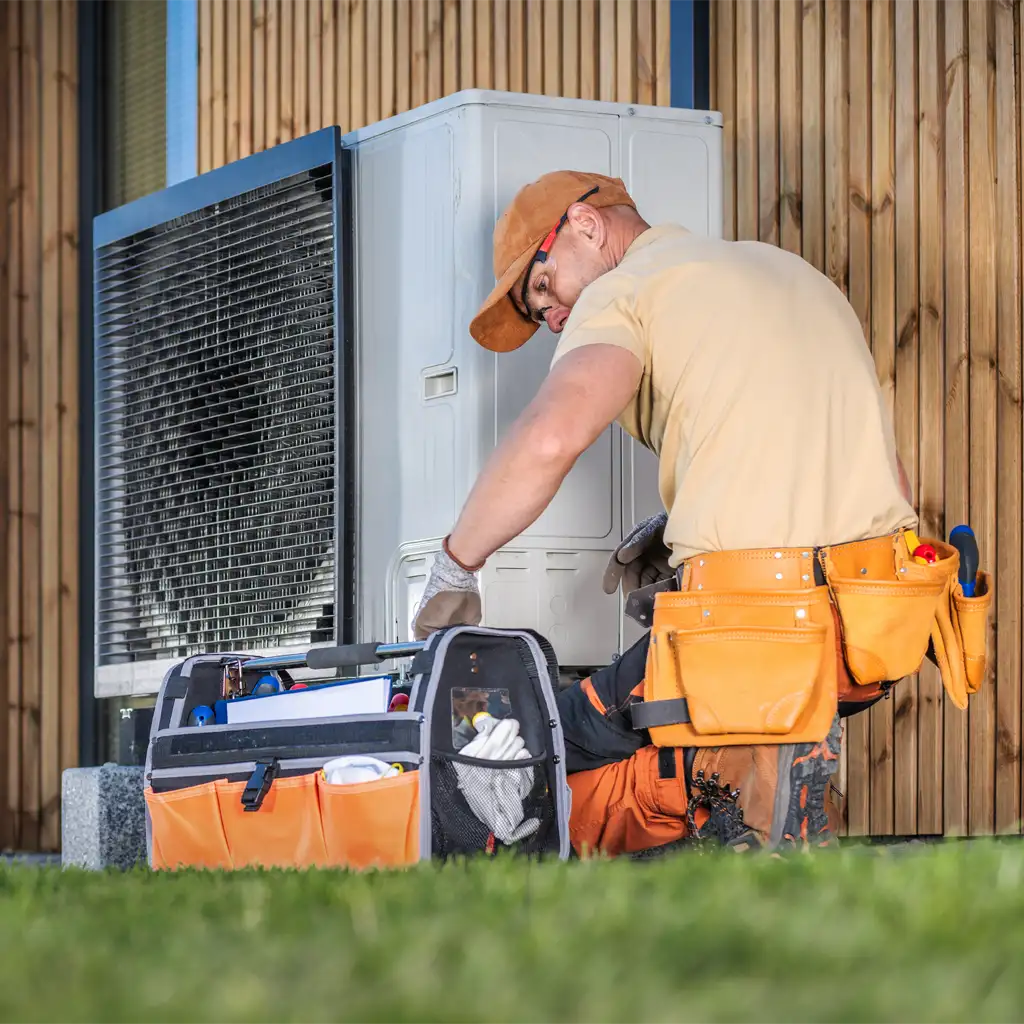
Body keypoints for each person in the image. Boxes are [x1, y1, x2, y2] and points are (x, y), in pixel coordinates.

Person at [411, 170, 918, 856]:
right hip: (872, 631)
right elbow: (887, 475)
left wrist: (455, 565)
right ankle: (758, 785)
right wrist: (693, 526)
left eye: (543, 289)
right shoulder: (788, 271)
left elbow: (551, 437)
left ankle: (726, 811)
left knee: (540, 740)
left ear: (584, 227)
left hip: (752, 628)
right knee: (682, 717)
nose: (554, 319)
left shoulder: (627, 289)